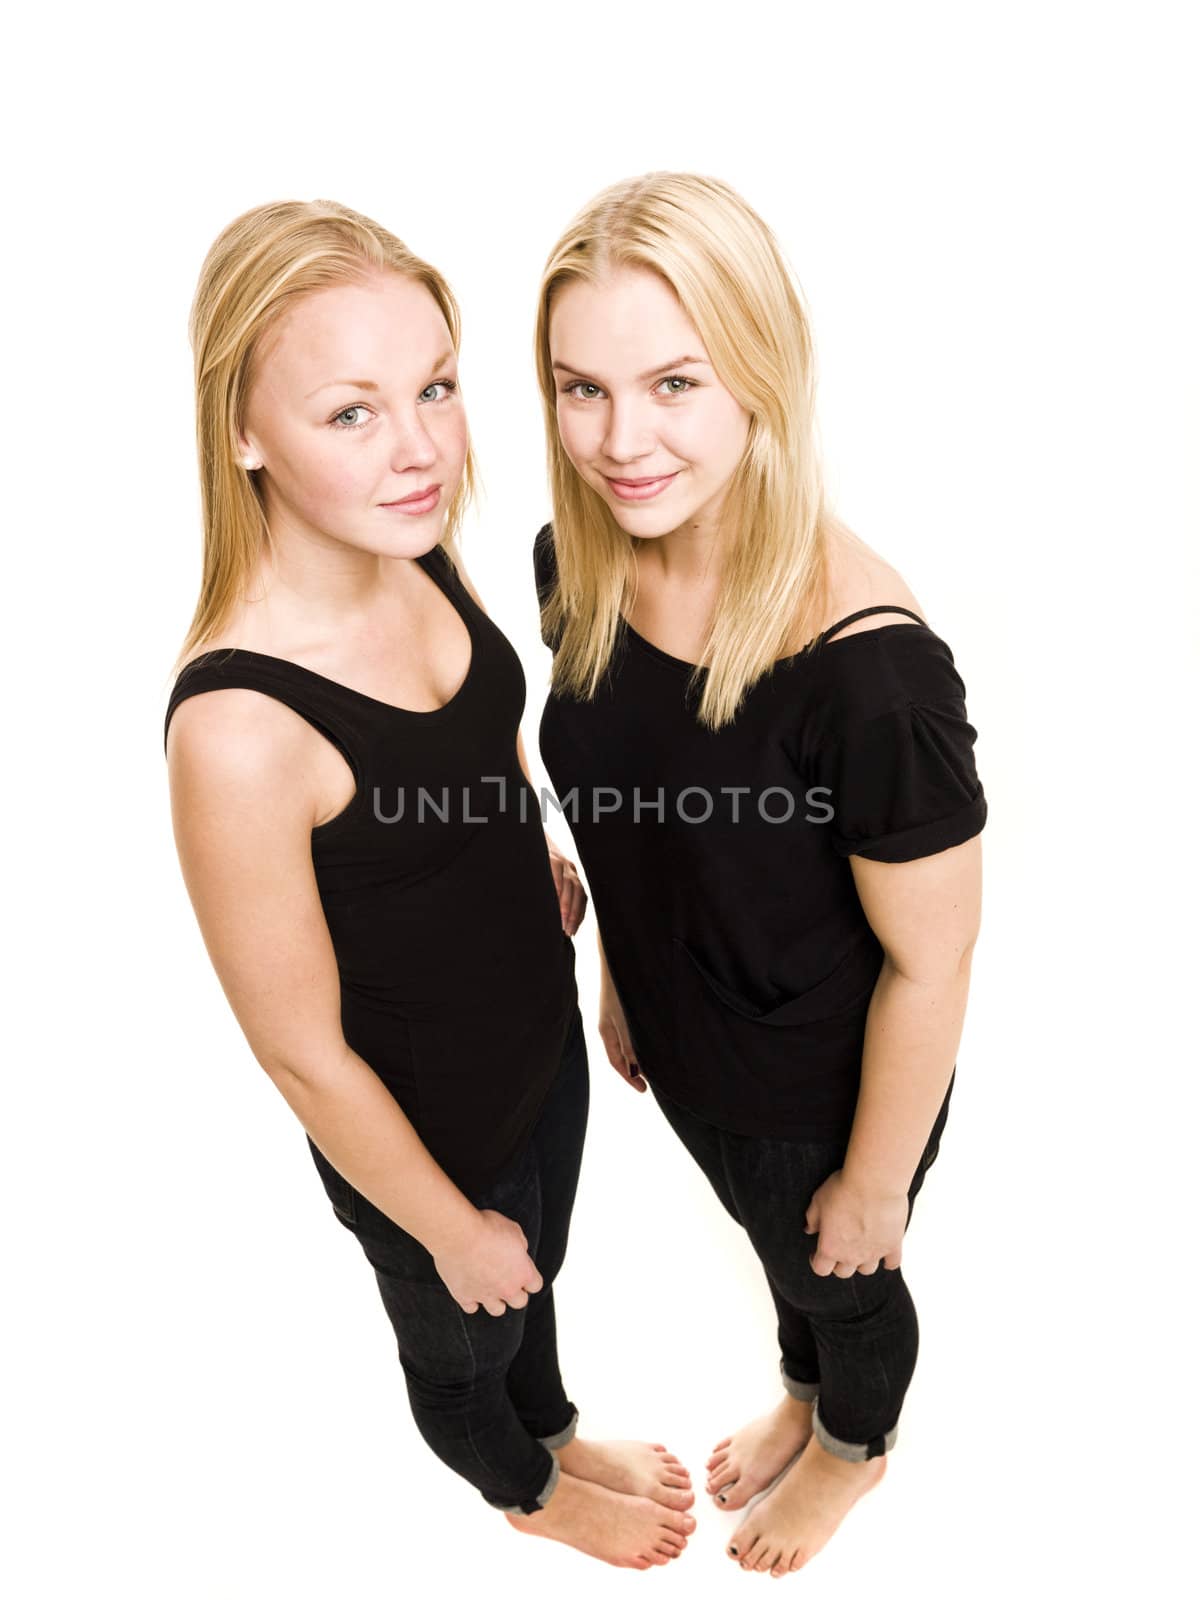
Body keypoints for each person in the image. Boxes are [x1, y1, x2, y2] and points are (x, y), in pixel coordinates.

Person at [162, 198, 695, 1570]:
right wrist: (447, 1228)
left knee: (540, 1278)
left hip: (535, 1045)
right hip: (419, 1135)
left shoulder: (415, 548)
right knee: (464, 1342)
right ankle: (525, 1486)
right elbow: (299, 1052)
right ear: (243, 431)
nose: (422, 451)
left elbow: (488, 735)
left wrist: (543, 862)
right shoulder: (239, 726)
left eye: (438, 389)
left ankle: (555, 1417)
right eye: (352, 412)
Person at [530, 172, 986, 1578]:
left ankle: (855, 1443)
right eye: (581, 387)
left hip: (820, 1087)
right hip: (687, 1037)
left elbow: (931, 957)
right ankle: (807, 1390)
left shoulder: (872, 677)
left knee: (844, 1279)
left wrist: (876, 1178)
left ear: (761, 371)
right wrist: (620, 974)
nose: (622, 440)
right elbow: (634, 803)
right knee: (785, 1266)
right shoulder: (582, 563)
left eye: (674, 381)